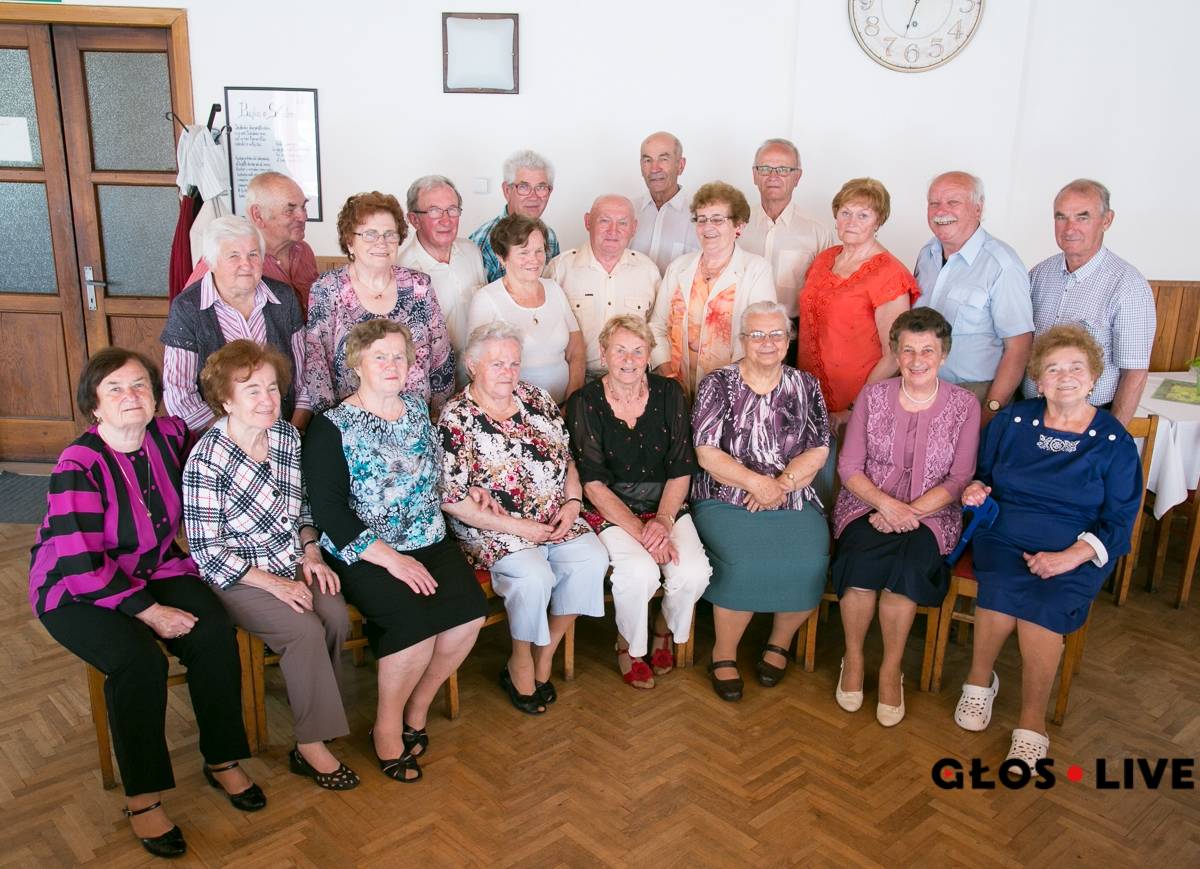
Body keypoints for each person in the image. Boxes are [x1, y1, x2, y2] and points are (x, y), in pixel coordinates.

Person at [29, 348, 263, 859]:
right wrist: (150, 613)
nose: (130, 395)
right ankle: (143, 798)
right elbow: (80, 564)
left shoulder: (170, 435)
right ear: (94, 405)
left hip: (153, 567)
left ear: (155, 395)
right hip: (76, 588)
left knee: (213, 631)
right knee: (138, 661)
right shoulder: (78, 464)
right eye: (114, 388)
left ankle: (222, 759)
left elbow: (221, 464)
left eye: (139, 385)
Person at [303, 320, 487, 782]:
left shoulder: (417, 410)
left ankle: (417, 709)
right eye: (379, 357)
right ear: (357, 364)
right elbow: (328, 512)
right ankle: (386, 727)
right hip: (364, 552)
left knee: (468, 615)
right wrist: (392, 559)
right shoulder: (331, 426)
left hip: (429, 539)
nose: (391, 365)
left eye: (399, 357)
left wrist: (470, 491)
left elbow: (436, 473)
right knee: (413, 626)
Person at [955, 325, 1141, 766]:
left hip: (1076, 546)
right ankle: (980, 682)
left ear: (1093, 378)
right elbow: (983, 476)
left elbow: (1119, 521)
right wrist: (976, 489)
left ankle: (1032, 720)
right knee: (1000, 587)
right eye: (1053, 369)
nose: (1065, 377)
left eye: (1076, 368)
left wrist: (1069, 558)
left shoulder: (1113, 441)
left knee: (1044, 606)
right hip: (1005, 533)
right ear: (1038, 380)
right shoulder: (1014, 421)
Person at [182, 340, 358, 791]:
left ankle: (318, 714)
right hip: (237, 575)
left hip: (290, 556)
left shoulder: (285, 437)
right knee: (303, 630)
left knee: (335, 613)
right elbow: (207, 550)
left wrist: (311, 552)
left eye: (272, 388)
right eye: (252, 390)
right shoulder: (206, 459)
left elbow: (303, 507)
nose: (267, 399)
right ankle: (311, 745)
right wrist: (276, 586)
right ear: (226, 401)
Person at [439, 322, 608, 715]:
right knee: (534, 577)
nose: (508, 372)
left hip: (553, 516)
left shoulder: (536, 398)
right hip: (494, 528)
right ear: (472, 365)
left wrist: (572, 503)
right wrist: (519, 527)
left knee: (592, 559)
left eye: (514, 363)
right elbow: (452, 500)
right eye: (497, 363)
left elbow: (568, 459)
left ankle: (544, 654)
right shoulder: (457, 416)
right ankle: (520, 659)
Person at [830, 309, 980, 726]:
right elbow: (849, 467)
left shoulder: (965, 405)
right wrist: (884, 505)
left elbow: (960, 477)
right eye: (908, 350)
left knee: (907, 569)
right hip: (866, 505)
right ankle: (854, 659)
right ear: (896, 354)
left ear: (943, 355)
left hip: (932, 514)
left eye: (927, 350)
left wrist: (905, 512)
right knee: (859, 563)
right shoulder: (872, 396)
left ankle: (891, 669)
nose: (917, 360)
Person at [690, 302, 831, 701]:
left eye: (776, 335)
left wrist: (781, 484)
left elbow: (819, 448)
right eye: (757, 335)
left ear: (788, 341)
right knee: (747, 561)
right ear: (742, 340)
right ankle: (723, 652)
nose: (767, 343)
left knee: (810, 560)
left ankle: (779, 642)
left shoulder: (805, 385)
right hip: (726, 495)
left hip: (792, 493)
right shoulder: (718, 383)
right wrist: (756, 483)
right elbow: (706, 452)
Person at [565, 315, 712, 688]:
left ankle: (663, 626)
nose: (628, 360)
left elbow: (681, 467)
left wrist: (662, 521)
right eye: (619, 350)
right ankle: (630, 644)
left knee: (693, 572)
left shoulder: (669, 393)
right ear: (603, 354)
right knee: (639, 572)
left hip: (666, 504)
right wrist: (640, 530)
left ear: (649, 355)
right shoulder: (585, 402)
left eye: (637, 351)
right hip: (611, 509)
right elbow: (592, 484)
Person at [304, 191, 455, 417]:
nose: (382, 243)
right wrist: (330, 424)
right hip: (352, 421)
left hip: (415, 419)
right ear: (350, 242)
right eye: (370, 234)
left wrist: (436, 418)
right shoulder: (327, 288)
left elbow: (441, 358)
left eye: (390, 235)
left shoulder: (420, 286)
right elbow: (317, 366)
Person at [1023, 179, 1155, 425]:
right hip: (1030, 413)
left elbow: (1134, 373)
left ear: (1107, 220)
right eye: (1061, 217)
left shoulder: (1128, 286)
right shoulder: (1039, 274)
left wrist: (1111, 437)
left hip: (1090, 420)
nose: (1069, 228)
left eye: (1082, 217)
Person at [162, 215, 312, 432]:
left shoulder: (284, 298)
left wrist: (292, 433)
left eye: (253, 254)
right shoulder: (188, 308)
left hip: (285, 429)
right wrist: (235, 438)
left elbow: (305, 377)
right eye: (233, 256)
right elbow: (180, 395)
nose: (246, 264)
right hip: (219, 437)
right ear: (211, 262)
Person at [797, 177, 918, 428]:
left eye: (863, 215)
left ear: (878, 221)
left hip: (853, 403)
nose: (851, 222)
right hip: (807, 392)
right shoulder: (824, 259)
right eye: (846, 213)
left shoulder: (890, 274)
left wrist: (855, 408)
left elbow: (894, 354)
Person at [914, 171, 1034, 423]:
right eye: (934, 203)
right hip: (920, 390)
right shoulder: (927, 254)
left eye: (953, 202)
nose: (941, 211)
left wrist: (991, 410)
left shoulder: (1002, 265)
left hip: (974, 394)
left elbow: (1019, 347)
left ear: (978, 209)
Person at [649, 182, 776, 399]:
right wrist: (667, 371)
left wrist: (730, 388)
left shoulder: (756, 269)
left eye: (717, 219)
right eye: (702, 219)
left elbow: (760, 336)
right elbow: (657, 326)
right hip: (677, 389)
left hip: (732, 392)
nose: (708, 227)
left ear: (739, 226)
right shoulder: (678, 267)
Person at [467, 213, 584, 403]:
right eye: (524, 252)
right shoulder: (486, 299)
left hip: (565, 406)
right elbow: (477, 368)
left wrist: (572, 402)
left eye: (539, 251)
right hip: (514, 411)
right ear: (502, 257)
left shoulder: (554, 289)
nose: (534, 259)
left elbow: (576, 351)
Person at [739, 137, 836, 358]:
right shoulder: (737, 224)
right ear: (754, 175)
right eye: (765, 168)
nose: (773, 176)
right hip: (740, 333)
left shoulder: (817, 232)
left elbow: (825, 296)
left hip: (792, 338)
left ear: (797, 177)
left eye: (783, 169)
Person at [547, 194, 661, 378]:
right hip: (577, 379)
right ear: (588, 222)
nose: (613, 231)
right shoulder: (560, 269)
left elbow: (658, 329)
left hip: (633, 379)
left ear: (634, 228)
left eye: (622, 223)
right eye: (604, 221)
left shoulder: (648, 271)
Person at [397, 175, 487, 385]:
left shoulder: (472, 251)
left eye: (452, 210)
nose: (446, 220)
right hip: (435, 383)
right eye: (434, 211)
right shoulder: (403, 271)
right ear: (414, 219)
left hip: (479, 376)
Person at [186, 171, 318, 311]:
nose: (303, 217)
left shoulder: (304, 251)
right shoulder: (223, 259)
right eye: (289, 211)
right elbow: (188, 311)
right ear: (258, 215)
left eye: (303, 207)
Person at [470, 149, 560, 282]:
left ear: (550, 192)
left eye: (541, 187)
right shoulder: (484, 241)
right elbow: (478, 293)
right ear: (507, 190)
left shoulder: (550, 236)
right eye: (524, 187)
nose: (533, 196)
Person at [631, 131, 700, 273]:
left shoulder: (702, 216)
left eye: (663, 159)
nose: (654, 169)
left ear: (680, 165)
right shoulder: (628, 211)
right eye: (647, 160)